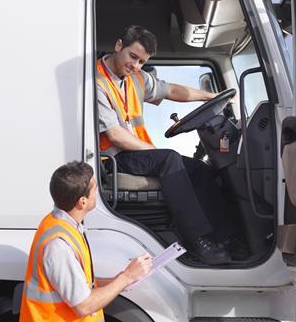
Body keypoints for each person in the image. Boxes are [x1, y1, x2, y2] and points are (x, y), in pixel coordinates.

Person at [96, 25, 247, 265]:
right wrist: (156, 151)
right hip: (114, 158)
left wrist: (212, 96)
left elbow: (173, 90)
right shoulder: (97, 82)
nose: (135, 65)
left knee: (200, 169)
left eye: (142, 62)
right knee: (169, 159)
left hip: (136, 152)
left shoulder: (136, 77)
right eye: (132, 57)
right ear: (118, 46)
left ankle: (227, 238)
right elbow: (116, 136)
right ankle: (198, 240)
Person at [20, 161, 152, 321]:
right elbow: (84, 306)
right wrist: (127, 277)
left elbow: (81, 285)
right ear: (82, 202)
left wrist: (118, 281)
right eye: (95, 189)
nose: (98, 191)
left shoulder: (61, 225)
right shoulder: (59, 246)